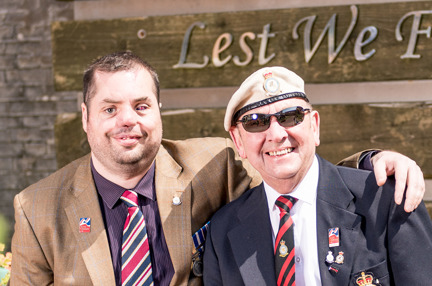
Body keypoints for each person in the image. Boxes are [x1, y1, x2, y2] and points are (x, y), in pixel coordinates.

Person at [9, 51, 425, 286]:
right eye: (110, 109)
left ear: (159, 112)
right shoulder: (37, 208)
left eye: (141, 106)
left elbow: (295, 174)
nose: (127, 121)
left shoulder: (212, 166)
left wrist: (372, 168)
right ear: (85, 117)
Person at [203, 66, 432, 285]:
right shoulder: (222, 231)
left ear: (314, 126)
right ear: (238, 141)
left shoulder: (386, 200)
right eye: (256, 123)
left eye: (291, 116)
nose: (276, 134)